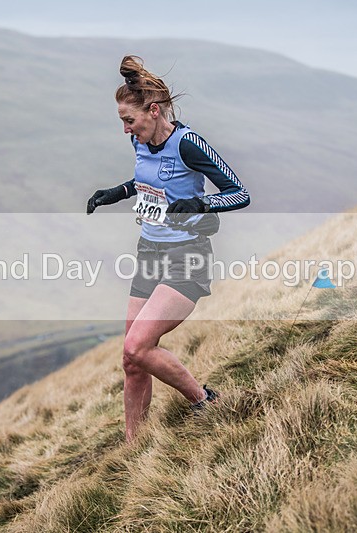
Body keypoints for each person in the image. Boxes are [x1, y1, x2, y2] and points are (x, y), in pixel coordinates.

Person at [86, 55, 250, 442]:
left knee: (138, 345)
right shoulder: (140, 141)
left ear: (154, 111)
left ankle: (203, 399)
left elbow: (238, 192)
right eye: (122, 122)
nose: (126, 129)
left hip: (186, 258)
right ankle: (133, 445)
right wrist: (118, 192)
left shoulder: (187, 143)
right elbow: (148, 181)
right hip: (149, 254)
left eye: (130, 120)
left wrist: (202, 203)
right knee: (131, 359)